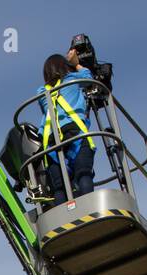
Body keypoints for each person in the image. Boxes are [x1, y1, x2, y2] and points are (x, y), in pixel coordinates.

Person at [36, 53, 96, 207]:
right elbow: (88, 77)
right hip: (75, 133)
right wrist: (76, 64)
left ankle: (64, 215)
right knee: (83, 173)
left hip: (51, 142)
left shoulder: (42, 92)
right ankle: (89, 209)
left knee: (59, 186)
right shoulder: (71, 80)